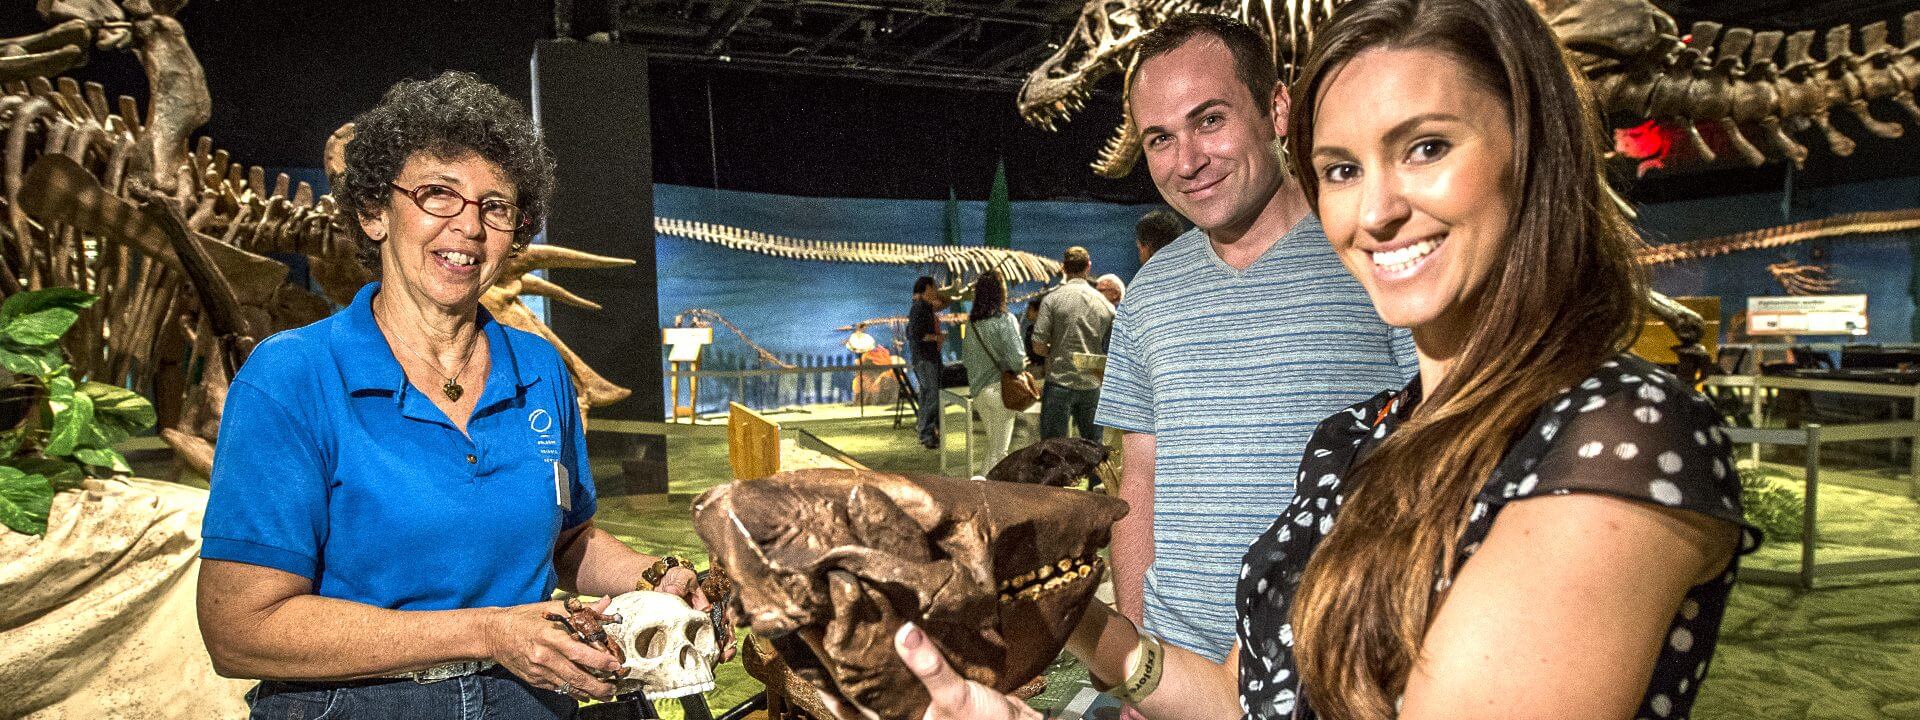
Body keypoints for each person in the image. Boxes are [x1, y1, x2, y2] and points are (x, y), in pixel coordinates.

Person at [874, 0, 1758, 717]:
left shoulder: (1616, 432)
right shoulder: (1354, 443)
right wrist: (1060, 610)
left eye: (1426, 148)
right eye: (1341, 169)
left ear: (1532, 148)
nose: (1376, 211)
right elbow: (1248, 693)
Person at [195, 72, 716, 719]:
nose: (468, 225)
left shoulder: (539, 368)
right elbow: (239, 630)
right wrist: (488, 633)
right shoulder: (291, 378)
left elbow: (566, 541)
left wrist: (654, 576)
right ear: (374, 213)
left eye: (495, 206)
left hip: (531, 703)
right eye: (437, 195)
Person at [1093, 12, 1416, 667]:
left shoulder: (1376, 256)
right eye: (1161, 138)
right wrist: (1138, 651)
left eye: (1210, 120)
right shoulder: (1148, 293)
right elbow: (1140, 477)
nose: (1188, 161)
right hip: (1180, 669)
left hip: (1337, 665)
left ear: (1277, 109)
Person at [1032, 246, 1114, 442]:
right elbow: (1112, 350)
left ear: (1064, 268)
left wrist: (1057, 351)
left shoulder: (1051, 299)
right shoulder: (1106, 305)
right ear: (1088, 266)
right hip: (1091, 385)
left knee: (1053, 448)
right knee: (1094, 450)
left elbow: (1038, 345)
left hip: (1058, 382)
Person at [960, 270, 1027, 470]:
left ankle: (980, 485)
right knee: (1000, 453)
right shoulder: (1005, 320)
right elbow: (1017, 361)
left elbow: (966, 359)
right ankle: (986, 488)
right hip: (1000, 392)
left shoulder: (972, 324)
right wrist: (1019, 365)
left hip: (979, 392)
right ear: (1001, 292)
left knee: (994, 449)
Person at [907, 275, 948, 449]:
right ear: (927, 288)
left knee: (926, 395)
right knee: (932, 395)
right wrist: (937, 337)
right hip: (926, 358)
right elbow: (915, 334)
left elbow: (944, 302)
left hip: (927, 358)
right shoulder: (919, 308)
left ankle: (925, 432)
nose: (937, 290)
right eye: (934, 287)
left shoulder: (924, 307)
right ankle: (927, 433)